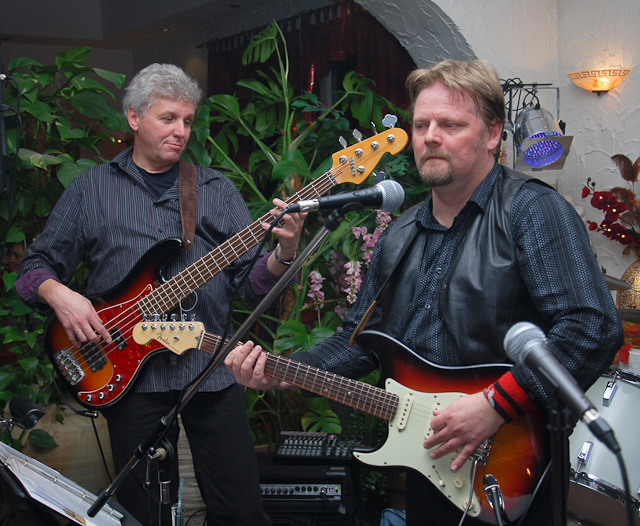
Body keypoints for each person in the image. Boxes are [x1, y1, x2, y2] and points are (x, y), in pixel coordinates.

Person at [225, 59, 623, 525]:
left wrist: (496, 405)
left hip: (513, 465)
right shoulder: (400, 234)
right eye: (420, 125)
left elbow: (592, 327)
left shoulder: (531, 210)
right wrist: (285, 372)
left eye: (450, 125)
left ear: (493, 134)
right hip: (428, 464)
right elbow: (358, 341)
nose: (430, 137)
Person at [16, 63, 304, 526]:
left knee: (241, 508)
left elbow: (249, 283)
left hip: (210, 371)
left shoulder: (214, 189)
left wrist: (284, 252)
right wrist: (60, 295)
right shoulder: (91, 189)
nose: (180, 131)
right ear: (134, 117)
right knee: (144, 512)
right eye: (168, 118)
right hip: (127, 372)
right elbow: (34, 269)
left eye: (187, 121)